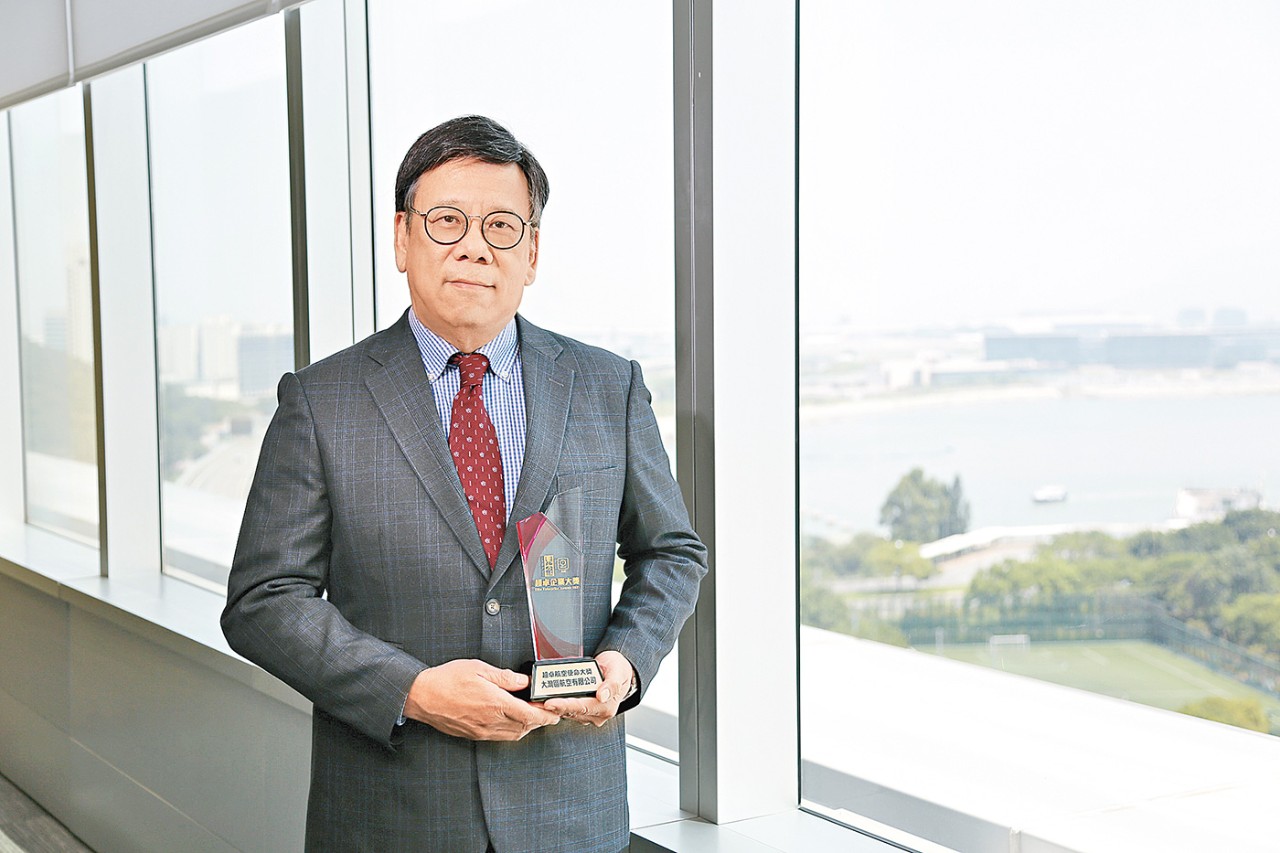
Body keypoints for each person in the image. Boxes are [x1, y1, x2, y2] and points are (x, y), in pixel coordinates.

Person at [221, 115, 707, 853]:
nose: (475, 246)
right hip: (393, 815)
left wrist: (625, 662)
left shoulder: (608, 386)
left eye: (502, 226)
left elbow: (671, 552)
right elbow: (263, 600)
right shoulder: (322, 401)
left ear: (532, 252)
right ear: (401, 237)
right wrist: (412, 690)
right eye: (447, 220)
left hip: (569, 812)